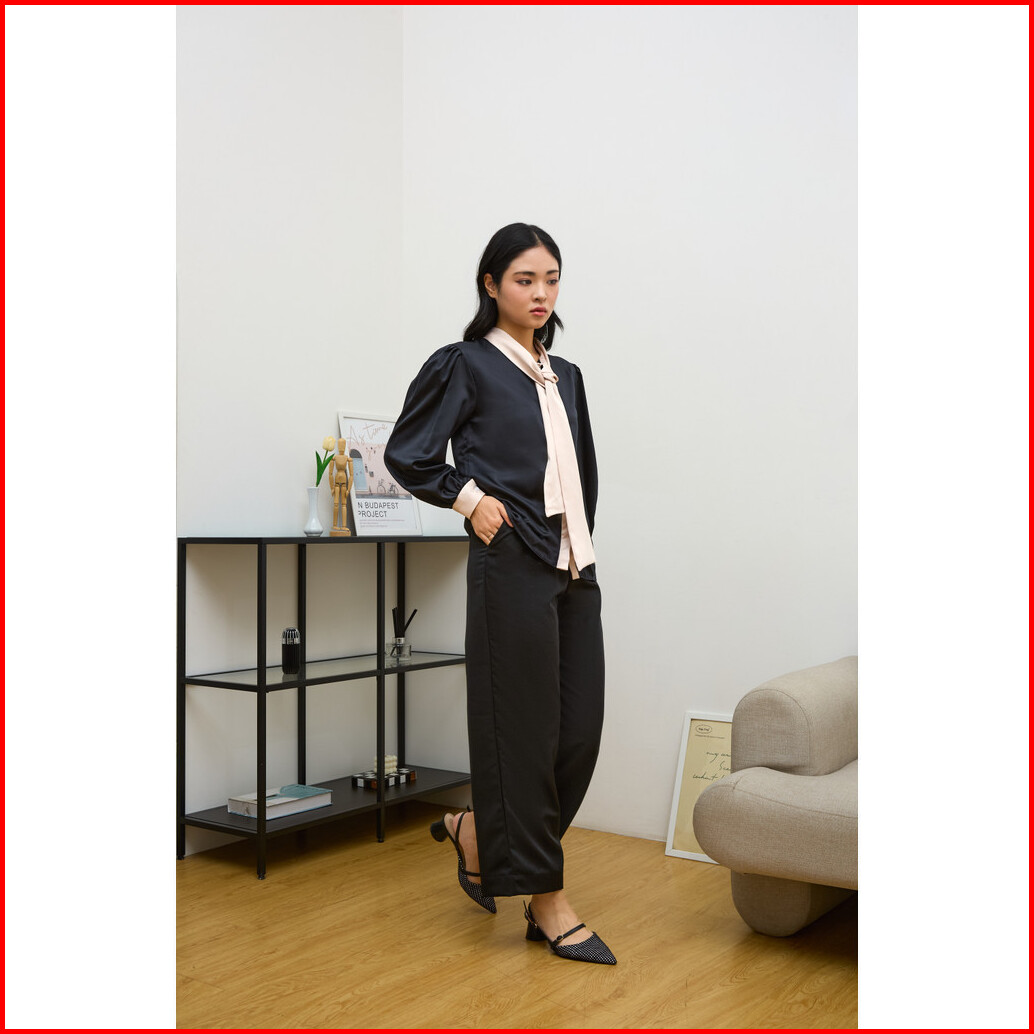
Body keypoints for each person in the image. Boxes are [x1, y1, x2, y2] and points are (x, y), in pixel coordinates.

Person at [383, 223, 614, 965]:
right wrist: (470, 499)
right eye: (524, 279)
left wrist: (578, 546)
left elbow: (581, 475)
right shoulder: (467, 364)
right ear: (491, 285)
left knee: (578, 731)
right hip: (511, 563)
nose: (541, 292)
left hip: (573, 566)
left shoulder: (565, 375)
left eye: (551, 278)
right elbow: (408, 452)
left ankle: (480, 831)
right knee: (524, 735)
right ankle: (547, 900)